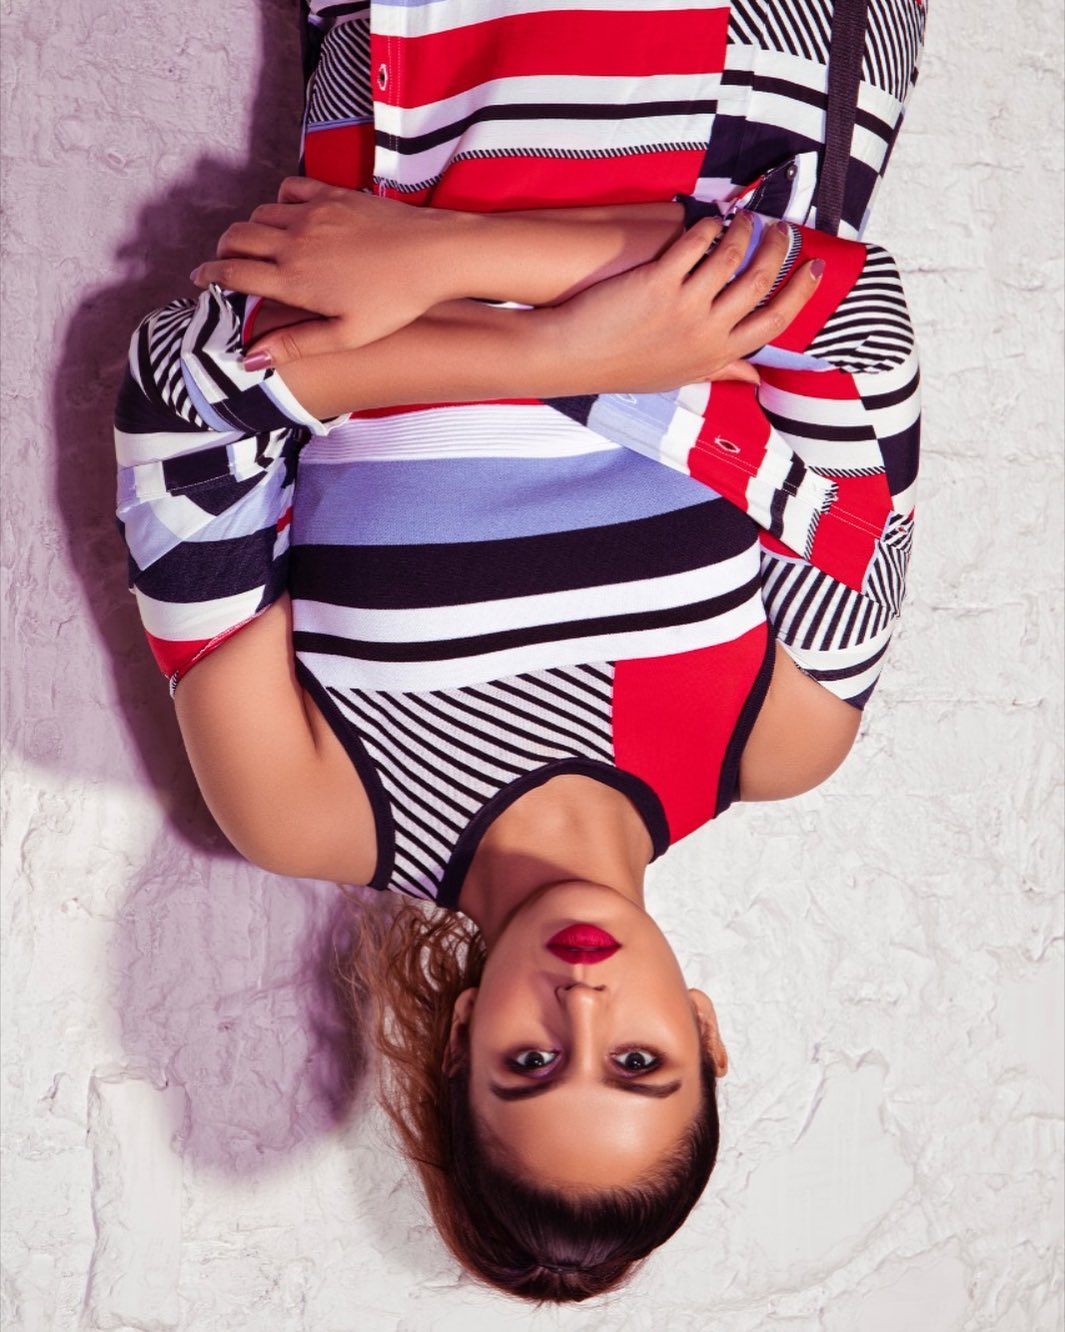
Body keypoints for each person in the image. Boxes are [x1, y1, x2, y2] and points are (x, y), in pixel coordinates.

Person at [114, 0, 926, 1302]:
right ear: (706, 1034)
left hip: (428, 70)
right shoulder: (781, 733)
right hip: (756, 62)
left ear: (456, 1053)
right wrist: (438, 286)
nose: (580, 1010)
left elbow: (183, 407)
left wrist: (557, 337)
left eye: (529, 1066)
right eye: (640, 1064)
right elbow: (852, 320)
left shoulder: (310, 803)